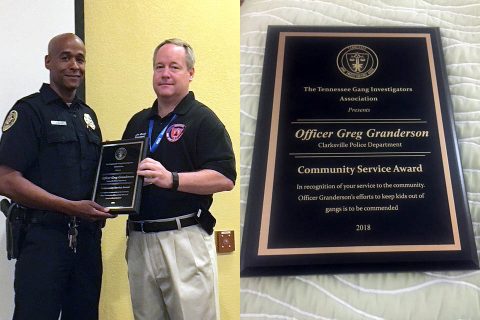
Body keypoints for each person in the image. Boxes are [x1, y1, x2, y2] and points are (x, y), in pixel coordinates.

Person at [0, 33, 115, 320]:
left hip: (87, 243)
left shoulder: (88, 117)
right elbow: (6, 178)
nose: (74, 65)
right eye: (65, 57)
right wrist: (69, 207)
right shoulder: (29, 112)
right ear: (48, 62)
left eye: (80, 59)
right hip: (44, 241)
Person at [122, 38, 236, 320]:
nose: (165, 73)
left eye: (174, 66)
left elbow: (225, 177)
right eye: (159, 66)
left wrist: (171, 179)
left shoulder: (203, 120)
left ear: (191, 73)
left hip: (183, 238)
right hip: (139, 239)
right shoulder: (138, 122)